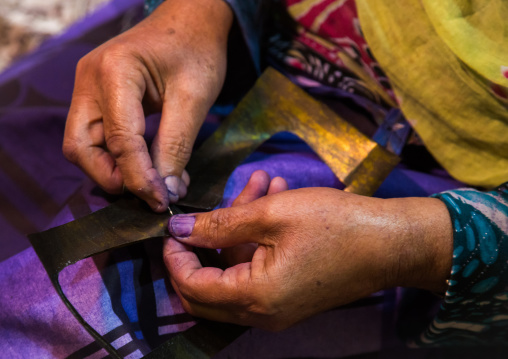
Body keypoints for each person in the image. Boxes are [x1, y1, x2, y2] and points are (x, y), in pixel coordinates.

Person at [63, 0, 508, 346]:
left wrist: (412, 246)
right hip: (244, 51)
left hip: (449, 192)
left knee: (100, 307)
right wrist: (195, 14)